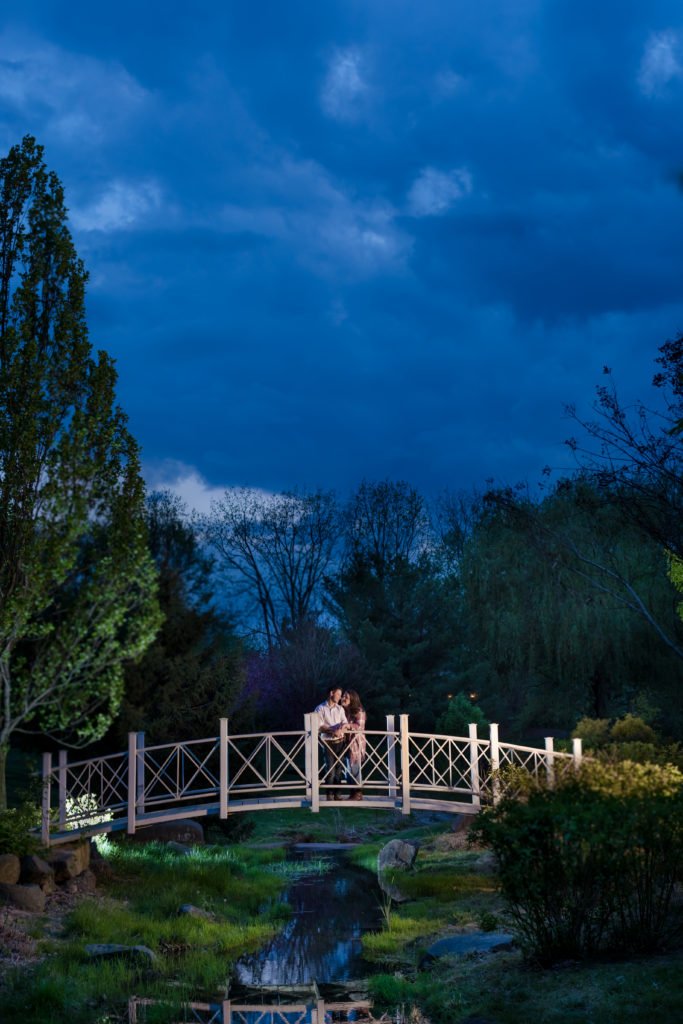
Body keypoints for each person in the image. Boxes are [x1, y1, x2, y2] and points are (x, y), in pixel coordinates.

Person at [314, 687, 347, 800]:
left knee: (339, 770)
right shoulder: (320, 708)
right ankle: (329, 795)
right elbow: (319, 726)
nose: (340, 697)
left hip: (340, 742)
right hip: (328, 742)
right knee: (330, 770)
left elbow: (345, 722)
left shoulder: (340, 709)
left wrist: (341, 729)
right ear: (331, 693)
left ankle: (338, 795)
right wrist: (333, 731)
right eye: (338, 694)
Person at [340, 689, 366, 800]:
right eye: (343, 696)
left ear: (352, 699)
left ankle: (358, 794)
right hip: (345, 743)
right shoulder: (343, 711)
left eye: (346, 697)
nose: (343, 698)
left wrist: (348, 726)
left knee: (355, 768)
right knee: (347, 770)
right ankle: (352, 792)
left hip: (355, 743)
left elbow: (359, 726)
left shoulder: (359, 711)